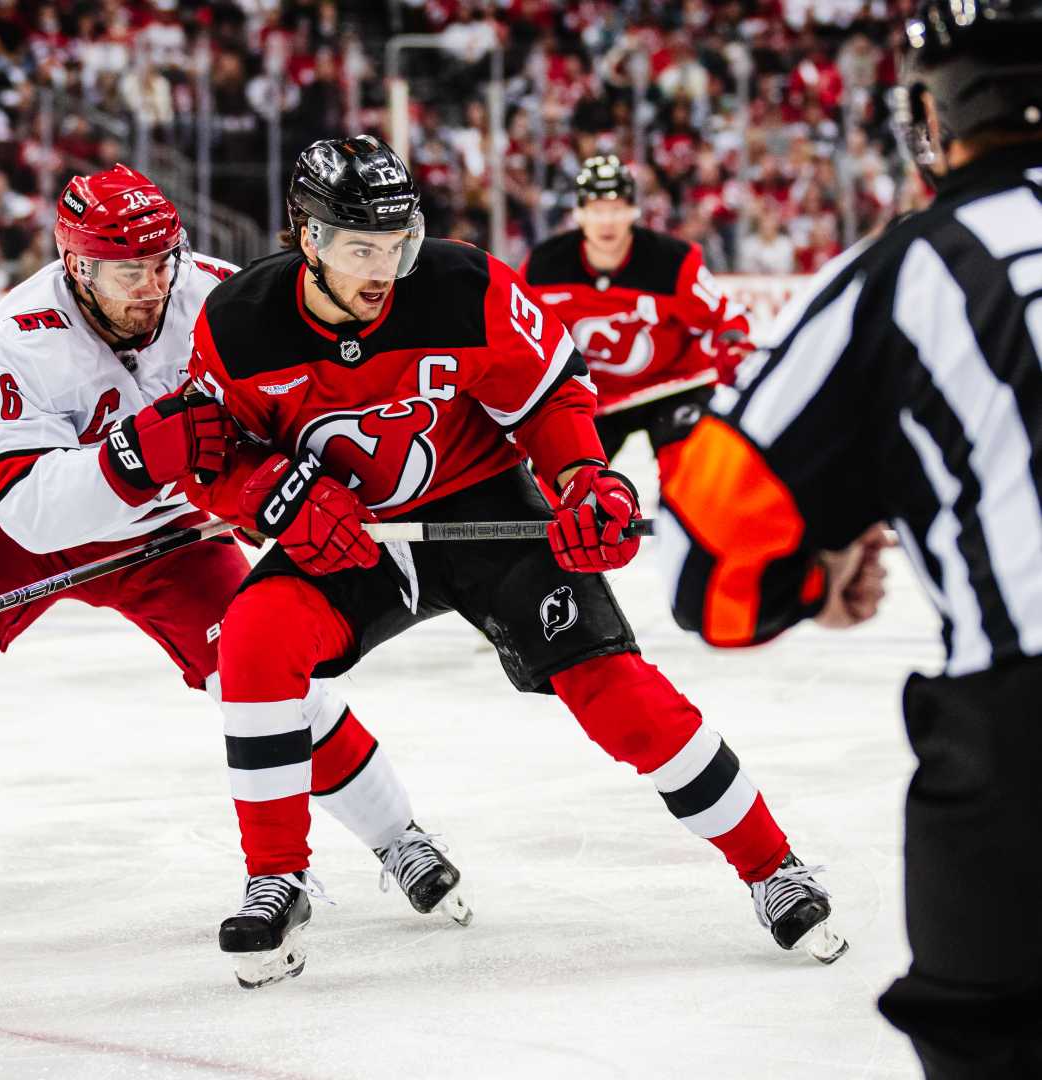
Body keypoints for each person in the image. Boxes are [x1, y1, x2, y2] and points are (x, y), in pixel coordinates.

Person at [0, 165, 469, 963]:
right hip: (24, 529)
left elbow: (300, 403)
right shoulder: (15, 334)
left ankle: (398, 838)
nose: (155, 286)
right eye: (132, 270)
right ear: (77, 266)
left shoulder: (220, 297)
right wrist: (129, 459)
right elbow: (21, 504)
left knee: (266, 672)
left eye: (165, 262)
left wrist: (276, 484)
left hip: (173, 535)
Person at [181, 135, 844, 990]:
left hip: (485, 509)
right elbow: (212, 456)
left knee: (616, 693)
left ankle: (772, 865)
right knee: (253, 638)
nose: (385, 269)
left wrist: (583, 478)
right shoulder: (237, 324)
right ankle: (276, 873)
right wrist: (274, 493)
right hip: (347, 533)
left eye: (399, 244)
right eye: (360, 250)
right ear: (307, 239)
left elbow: (553, 393)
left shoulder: (462, 284)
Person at [661, 3, 1042, 1074]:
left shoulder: (911, 272)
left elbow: (709, 565)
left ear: (938, 114)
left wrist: (809, 581)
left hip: (1021, 742)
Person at [521, 155, 753, 488]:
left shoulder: (673, 260)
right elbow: (521, 336)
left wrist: (733, 345)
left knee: (694, 478)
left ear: (633, 211)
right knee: (555, 491)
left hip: (672, 389)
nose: (607, 221)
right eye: (597, 209)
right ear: (580, 213)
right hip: (591, 398)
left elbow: (725, 316)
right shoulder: (543, 266)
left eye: (617, 208)